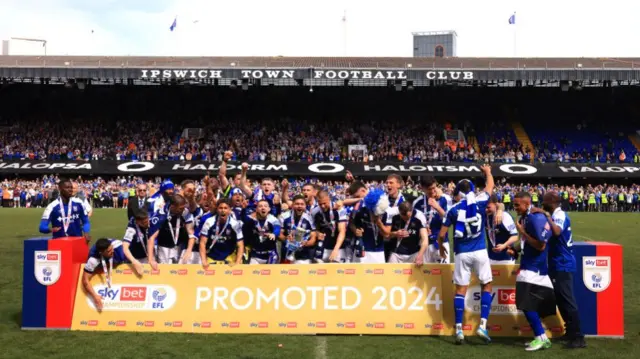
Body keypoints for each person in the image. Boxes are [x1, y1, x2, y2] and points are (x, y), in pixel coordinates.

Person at [438, 164, 494, 344]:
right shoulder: (480, 201)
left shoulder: (453, 209)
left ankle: (459, 330)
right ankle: (483, 325)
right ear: (472, 189)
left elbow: (441, 234)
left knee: (460, 290)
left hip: (462, 253)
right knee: (487, 285)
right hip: (480, 251)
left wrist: (440, 246)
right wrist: (487, 172)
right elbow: (490, 187)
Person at [532, 192, 586, 349]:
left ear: (552, 203)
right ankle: (570, 332)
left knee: (567, 300)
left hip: (563, 263)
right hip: (557, 263)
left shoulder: (559, 214)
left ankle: (578, 337)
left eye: (545, 202)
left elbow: (556, 231)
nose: (543, 204)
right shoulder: (555, 213)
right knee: (561, 300)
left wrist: (544, 214)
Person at [513, 192, 557, 352]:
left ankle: (541, 337)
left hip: (533, 268)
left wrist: (522, 232)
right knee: (528, 304)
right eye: (514, 204)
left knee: (526, 304)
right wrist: (515, 248)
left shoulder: (534, 218)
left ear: (526, 203)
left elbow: (541, 245)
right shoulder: (529, 216)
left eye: (517, 204)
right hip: (532, 266)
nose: (515, 207)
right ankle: (542, 338)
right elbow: (529, 242)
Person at [146, 194, 195, 268]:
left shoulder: (185, 212)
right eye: (180, 208)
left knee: (181, 271)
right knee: (165, 272)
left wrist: (189, 250)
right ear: (172, 206)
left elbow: (191, 233)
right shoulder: (160, 215)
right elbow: (151, 238)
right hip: (164, 248)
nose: (183, 210)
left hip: (180, 246)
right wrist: (150, 259)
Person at [82, 238, 128, 312]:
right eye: (109, 251)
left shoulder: (118, 247)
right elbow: (85, 280)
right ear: (101, 253)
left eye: (111, 248)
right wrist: (95, 296)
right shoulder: (93, 259)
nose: (112, 251)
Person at [39, 178, 91, 243]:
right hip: (59, 242)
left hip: (77, 241)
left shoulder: (79, 203)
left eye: (71, 188)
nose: (70, 190)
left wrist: (86, 232)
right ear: (60, 189)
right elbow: (42, 227)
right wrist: (51, 229)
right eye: (67, 188)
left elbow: (86, 222)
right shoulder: (52, 206)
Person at [413, 176, 449, 263]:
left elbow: (449, 220)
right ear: (423, 188)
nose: (433, 191)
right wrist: (422, 230)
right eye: (429, 189)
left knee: (443, 273)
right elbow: (413, 224)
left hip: (441, 242)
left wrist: (438, 207)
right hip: (424, 243)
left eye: (434, 187)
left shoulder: (444, 199)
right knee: (425, 274)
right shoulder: (417, 203)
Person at [199, 199, 245, 266]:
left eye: (225, 208)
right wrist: (203, 260)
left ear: (229, 210)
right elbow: (202, 243)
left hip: (229, 258)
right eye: (220, 208)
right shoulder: (209, 222)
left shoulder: (235, 224)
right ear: (217, 210)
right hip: (211, 257)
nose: (223, 210)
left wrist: (237, 262)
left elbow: (240, 245)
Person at [312, 191, 348, 263]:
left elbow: (342, 231)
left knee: (339, 272)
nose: (322, 206)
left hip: (339, 248)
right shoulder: (314, 212)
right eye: (320, 204)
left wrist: (336, 249)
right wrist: (317, 233)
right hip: (323, 248)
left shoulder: (339, 209)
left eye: (324, 203)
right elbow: (314, 229)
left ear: (329, 199)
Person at [280, 195, 316, 264]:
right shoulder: (284, 216)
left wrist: (307, 243)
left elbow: (313, 237)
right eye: (297, 204)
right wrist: (285, 238)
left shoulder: (309, 218)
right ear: (292, 205)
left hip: (303, 256)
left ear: (305, 206)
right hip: (286, 255)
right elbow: (279, 234)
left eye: (302, 204)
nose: (299, 206)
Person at [243, 199, 282, 264]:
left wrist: (274, 234)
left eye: (265, 206)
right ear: (256, 209)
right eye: (260, 206)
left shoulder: (273, 219)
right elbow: (243, 219)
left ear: (269, 209)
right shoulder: (251, 219)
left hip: (270, 255)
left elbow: (277, 228)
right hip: (255, 255)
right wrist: (243, 209)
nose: (263, 208)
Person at [486, 194, 519, 264]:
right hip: (490, 258)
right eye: (485, 207)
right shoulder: (486, 216)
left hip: (505, 259)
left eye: (488, 207)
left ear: (496, 205)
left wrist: (504, 245)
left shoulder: (505, 216)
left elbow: (515, 236)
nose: (486, 209)